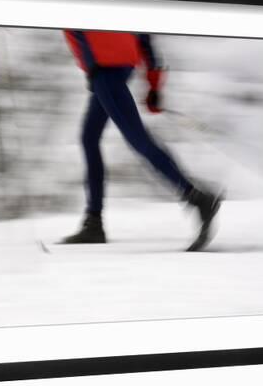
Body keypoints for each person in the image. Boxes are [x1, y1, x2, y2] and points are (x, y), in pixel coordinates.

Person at [61, 30, 222, 251]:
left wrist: (94, 69)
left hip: (104, 69)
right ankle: (94, 223)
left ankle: (198, 198)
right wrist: (154, 86)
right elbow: (144, 36)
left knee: (138, 139)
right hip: (118, 67)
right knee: (90, 138)